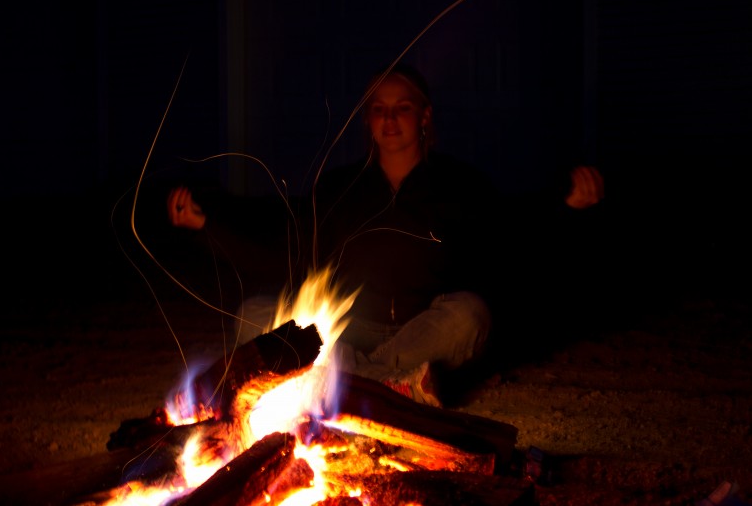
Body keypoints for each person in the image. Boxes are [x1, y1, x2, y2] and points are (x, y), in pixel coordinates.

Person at [167, 63, 603, 407]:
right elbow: (282, 243)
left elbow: (512, 228)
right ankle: (387, 387)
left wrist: (564, 205)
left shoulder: (459, 185)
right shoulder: (340, 189)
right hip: (340, 335)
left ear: (425, 116)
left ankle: (342, 384)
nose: (390, 118)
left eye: (403, 107)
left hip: (420, 334)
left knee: (470, 315)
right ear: (367, 121)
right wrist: (208, 227)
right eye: (379, 108)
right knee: (253, 314)